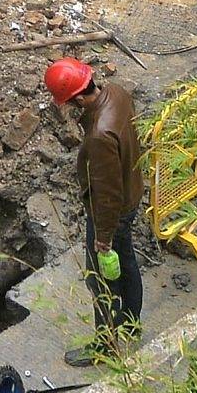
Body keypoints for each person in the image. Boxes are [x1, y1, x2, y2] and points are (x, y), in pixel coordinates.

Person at [44, 58, 145, 367]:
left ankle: (106, 345)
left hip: (112, 212)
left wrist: (103, 237)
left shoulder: (100, 136)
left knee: (100, 279)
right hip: (131, 194)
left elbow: (107, 194)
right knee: (126, 262)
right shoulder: (116, 93)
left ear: (76, 99)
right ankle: (130, 323)